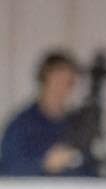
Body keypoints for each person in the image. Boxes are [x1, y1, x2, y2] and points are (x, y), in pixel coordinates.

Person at [0, 49, 94, 177]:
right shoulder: (21, 124)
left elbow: (92, 170)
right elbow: (8, 168)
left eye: (68, 83)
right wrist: (44, 164)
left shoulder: (79, 124)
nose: (62, 88)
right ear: (43, 79)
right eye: (57, 81)